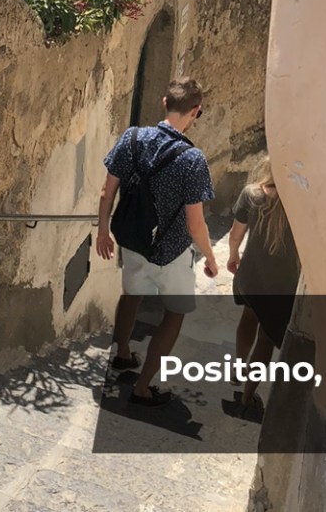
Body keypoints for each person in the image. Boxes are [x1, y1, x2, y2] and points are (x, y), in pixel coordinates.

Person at [96, 77, 218, 407]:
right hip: (171, 251)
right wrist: (210, 257)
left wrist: (103, 231)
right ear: (196, 111)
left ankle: (122, 354)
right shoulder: (193, 160)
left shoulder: (132, 138)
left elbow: (107, 191)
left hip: (133, 240)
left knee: (131, 295)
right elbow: (195, 223)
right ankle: (143, 387)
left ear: (165, 103)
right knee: (174, 314)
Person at [227, 154, 300, 412]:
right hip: (282, 284)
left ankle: (237, 368)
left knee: (248, 317)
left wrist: (233, 256)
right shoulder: (299, 203)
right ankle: (248, 397)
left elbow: (236, 235)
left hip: (252, 274)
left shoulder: (251, 194)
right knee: (266, 338)